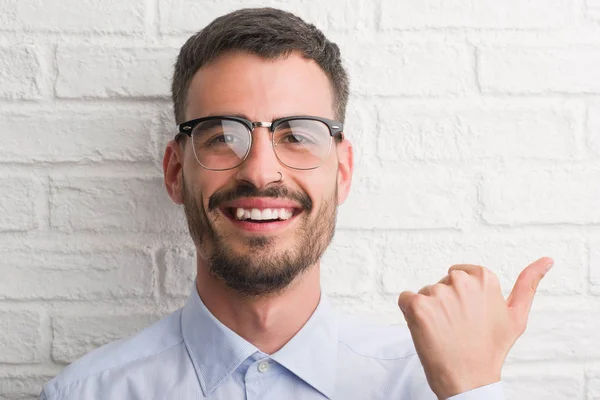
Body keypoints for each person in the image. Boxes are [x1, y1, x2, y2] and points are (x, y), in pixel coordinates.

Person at [39, 7, 552, 400]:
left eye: (298, 135)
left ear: (343, 171)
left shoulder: (429, 386)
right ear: (176, 172)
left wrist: (474, 391)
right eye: (221, 135)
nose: (261, 171)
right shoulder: (86, 392)